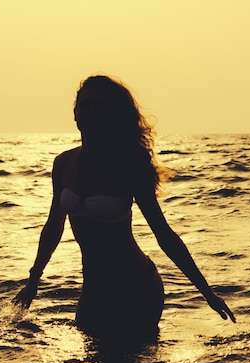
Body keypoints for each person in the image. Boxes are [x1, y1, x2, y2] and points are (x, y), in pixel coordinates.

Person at [14, 75, 235, 341]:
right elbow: (53, 227)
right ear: (74, 113)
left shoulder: (129, 165)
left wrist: (206, 292)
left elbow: (163, 233)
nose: (89, 112)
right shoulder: (63, 164)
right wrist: (33, 282)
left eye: (99, 106)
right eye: (84, 105)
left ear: (111, 114)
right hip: (93, 292)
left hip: (137, 289)